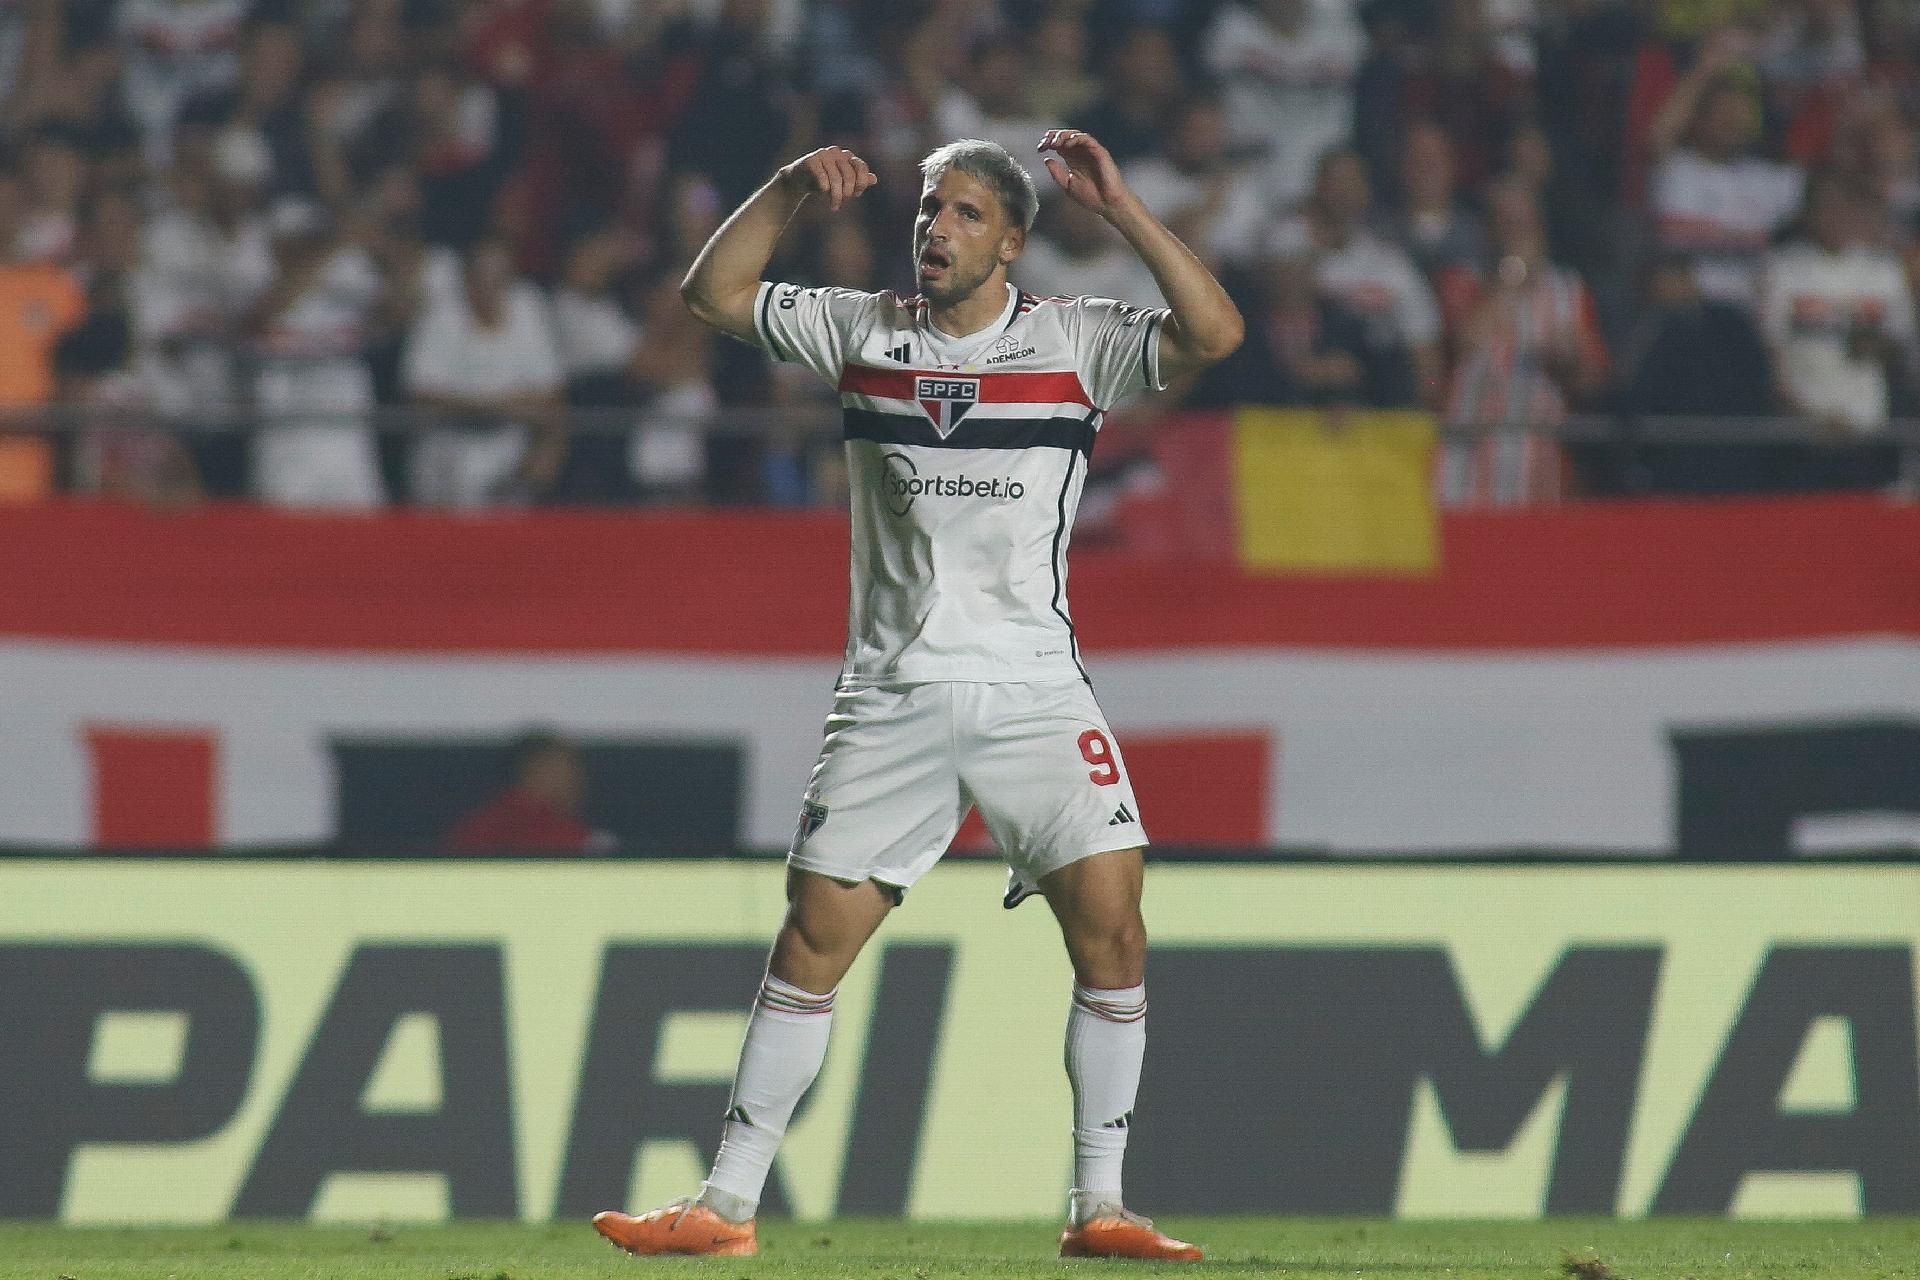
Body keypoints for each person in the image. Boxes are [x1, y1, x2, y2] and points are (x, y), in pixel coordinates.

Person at [591, 133, 1242, 1262]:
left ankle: (1100, 1206)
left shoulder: (1076, 340)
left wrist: (1127, 206)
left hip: (1035, 688)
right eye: (929, 210)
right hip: (893, 693)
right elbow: (713, 293)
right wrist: (789, 185)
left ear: (1014, 243)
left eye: (966, 214)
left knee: (1114, 928)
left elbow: (1217, 332)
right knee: (812, 941)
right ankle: (725, 1207)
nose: (936, 229)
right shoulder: (863, 328)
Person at [442, 730, 609, 855]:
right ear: (533, 770)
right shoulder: (559, 835)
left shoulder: (475, 826)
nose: (575, 779)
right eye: (566, 768)